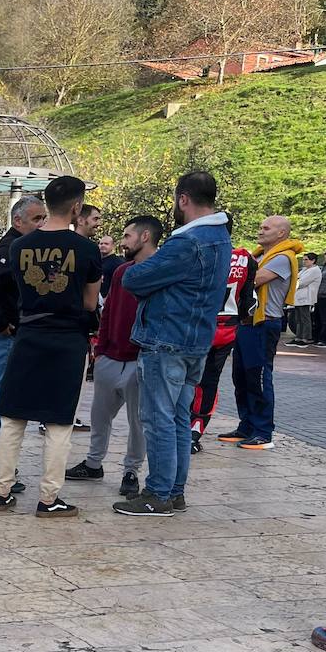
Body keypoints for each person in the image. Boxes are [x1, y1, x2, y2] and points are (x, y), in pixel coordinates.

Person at [113, 172, 232, 515]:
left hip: (167, 339)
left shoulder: (187, 242)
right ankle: (174, 491)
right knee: (179, 418)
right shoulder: (220, 237)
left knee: (158, 419)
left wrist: (154, 280)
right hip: (196, 340)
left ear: (183, 199)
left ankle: (159, 492)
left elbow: (135, 277)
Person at [0, 177, 101, 517]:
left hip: (28, 335)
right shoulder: (86, 249)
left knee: (13, 417)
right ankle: (49, 498)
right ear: (77, 207)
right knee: (58, 422)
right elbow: (89, 301)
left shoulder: (18, 247)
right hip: (67, 339)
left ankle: (2, 491)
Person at [66, 216, 162, 498]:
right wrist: (102, 347)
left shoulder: (161, 271)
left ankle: (131, 471)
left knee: (138, 421)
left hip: (140, 358)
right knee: (100, 414)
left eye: (127, 235)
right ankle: (94, 462)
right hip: (112, 355)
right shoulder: (122, 271)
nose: (122, 241)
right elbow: (109, 311)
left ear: (145, 237)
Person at [0, 195, 48, 489]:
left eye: (43, 217)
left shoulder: (22, 246)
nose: (41, 223)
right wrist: (1, 323)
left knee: (2, 401)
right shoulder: (12, 248)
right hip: (5, 337)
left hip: (12, 334)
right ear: (18, 221)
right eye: (36, 219)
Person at [218, 214, 301, 451]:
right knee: (241, 377)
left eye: (267, 227)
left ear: (281, 233)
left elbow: (252, 280)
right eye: (260, 226)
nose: (261, 230)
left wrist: (235, 272)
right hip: (246, 323)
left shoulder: (283, 257)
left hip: (264, 324)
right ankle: (246, 425)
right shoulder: (258, 255)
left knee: (260, 377)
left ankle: (263, 432)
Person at [190, 225, 255, 452]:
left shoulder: (197, 253)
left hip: (198, 327)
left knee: (188, 378)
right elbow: (250, 304)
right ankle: (195, 430)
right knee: (209, 381)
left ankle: (187, 428)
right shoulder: (245, 258)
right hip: (227, 330)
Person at [288, 252, 320, 346]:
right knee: (298, 319)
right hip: (299, 298)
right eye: (303, 259)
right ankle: (298, 337)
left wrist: (295, 281)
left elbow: (301, 282)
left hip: (306, 298)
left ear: (313, 260)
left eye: (306, 259)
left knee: (305, 318)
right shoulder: (305, 269)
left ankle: (306, 338)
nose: (304, 261)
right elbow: (295, 278)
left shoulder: (314, 270)